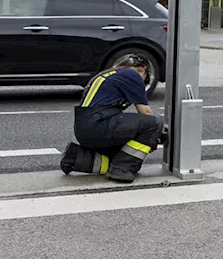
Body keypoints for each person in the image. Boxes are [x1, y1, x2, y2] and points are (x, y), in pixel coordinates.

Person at [60, 54, 163, 182]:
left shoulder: (108, 74)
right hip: (99, 124)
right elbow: (145, 113)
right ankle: (121, 169)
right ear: (143, 71)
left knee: (120, 153)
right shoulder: (132, 75)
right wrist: (157, 135)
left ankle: (76, 157)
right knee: (154, 124)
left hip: (85, 128)